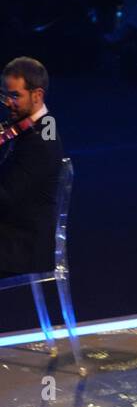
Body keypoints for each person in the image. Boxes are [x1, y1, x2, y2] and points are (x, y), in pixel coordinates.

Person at [0, 57, 64, 283]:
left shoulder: (41, 140)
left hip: (22, 246)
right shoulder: (29, 128)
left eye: (15, 96)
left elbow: (6, 197)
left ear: (37, 95)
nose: (8, 102)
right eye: (5, 95)